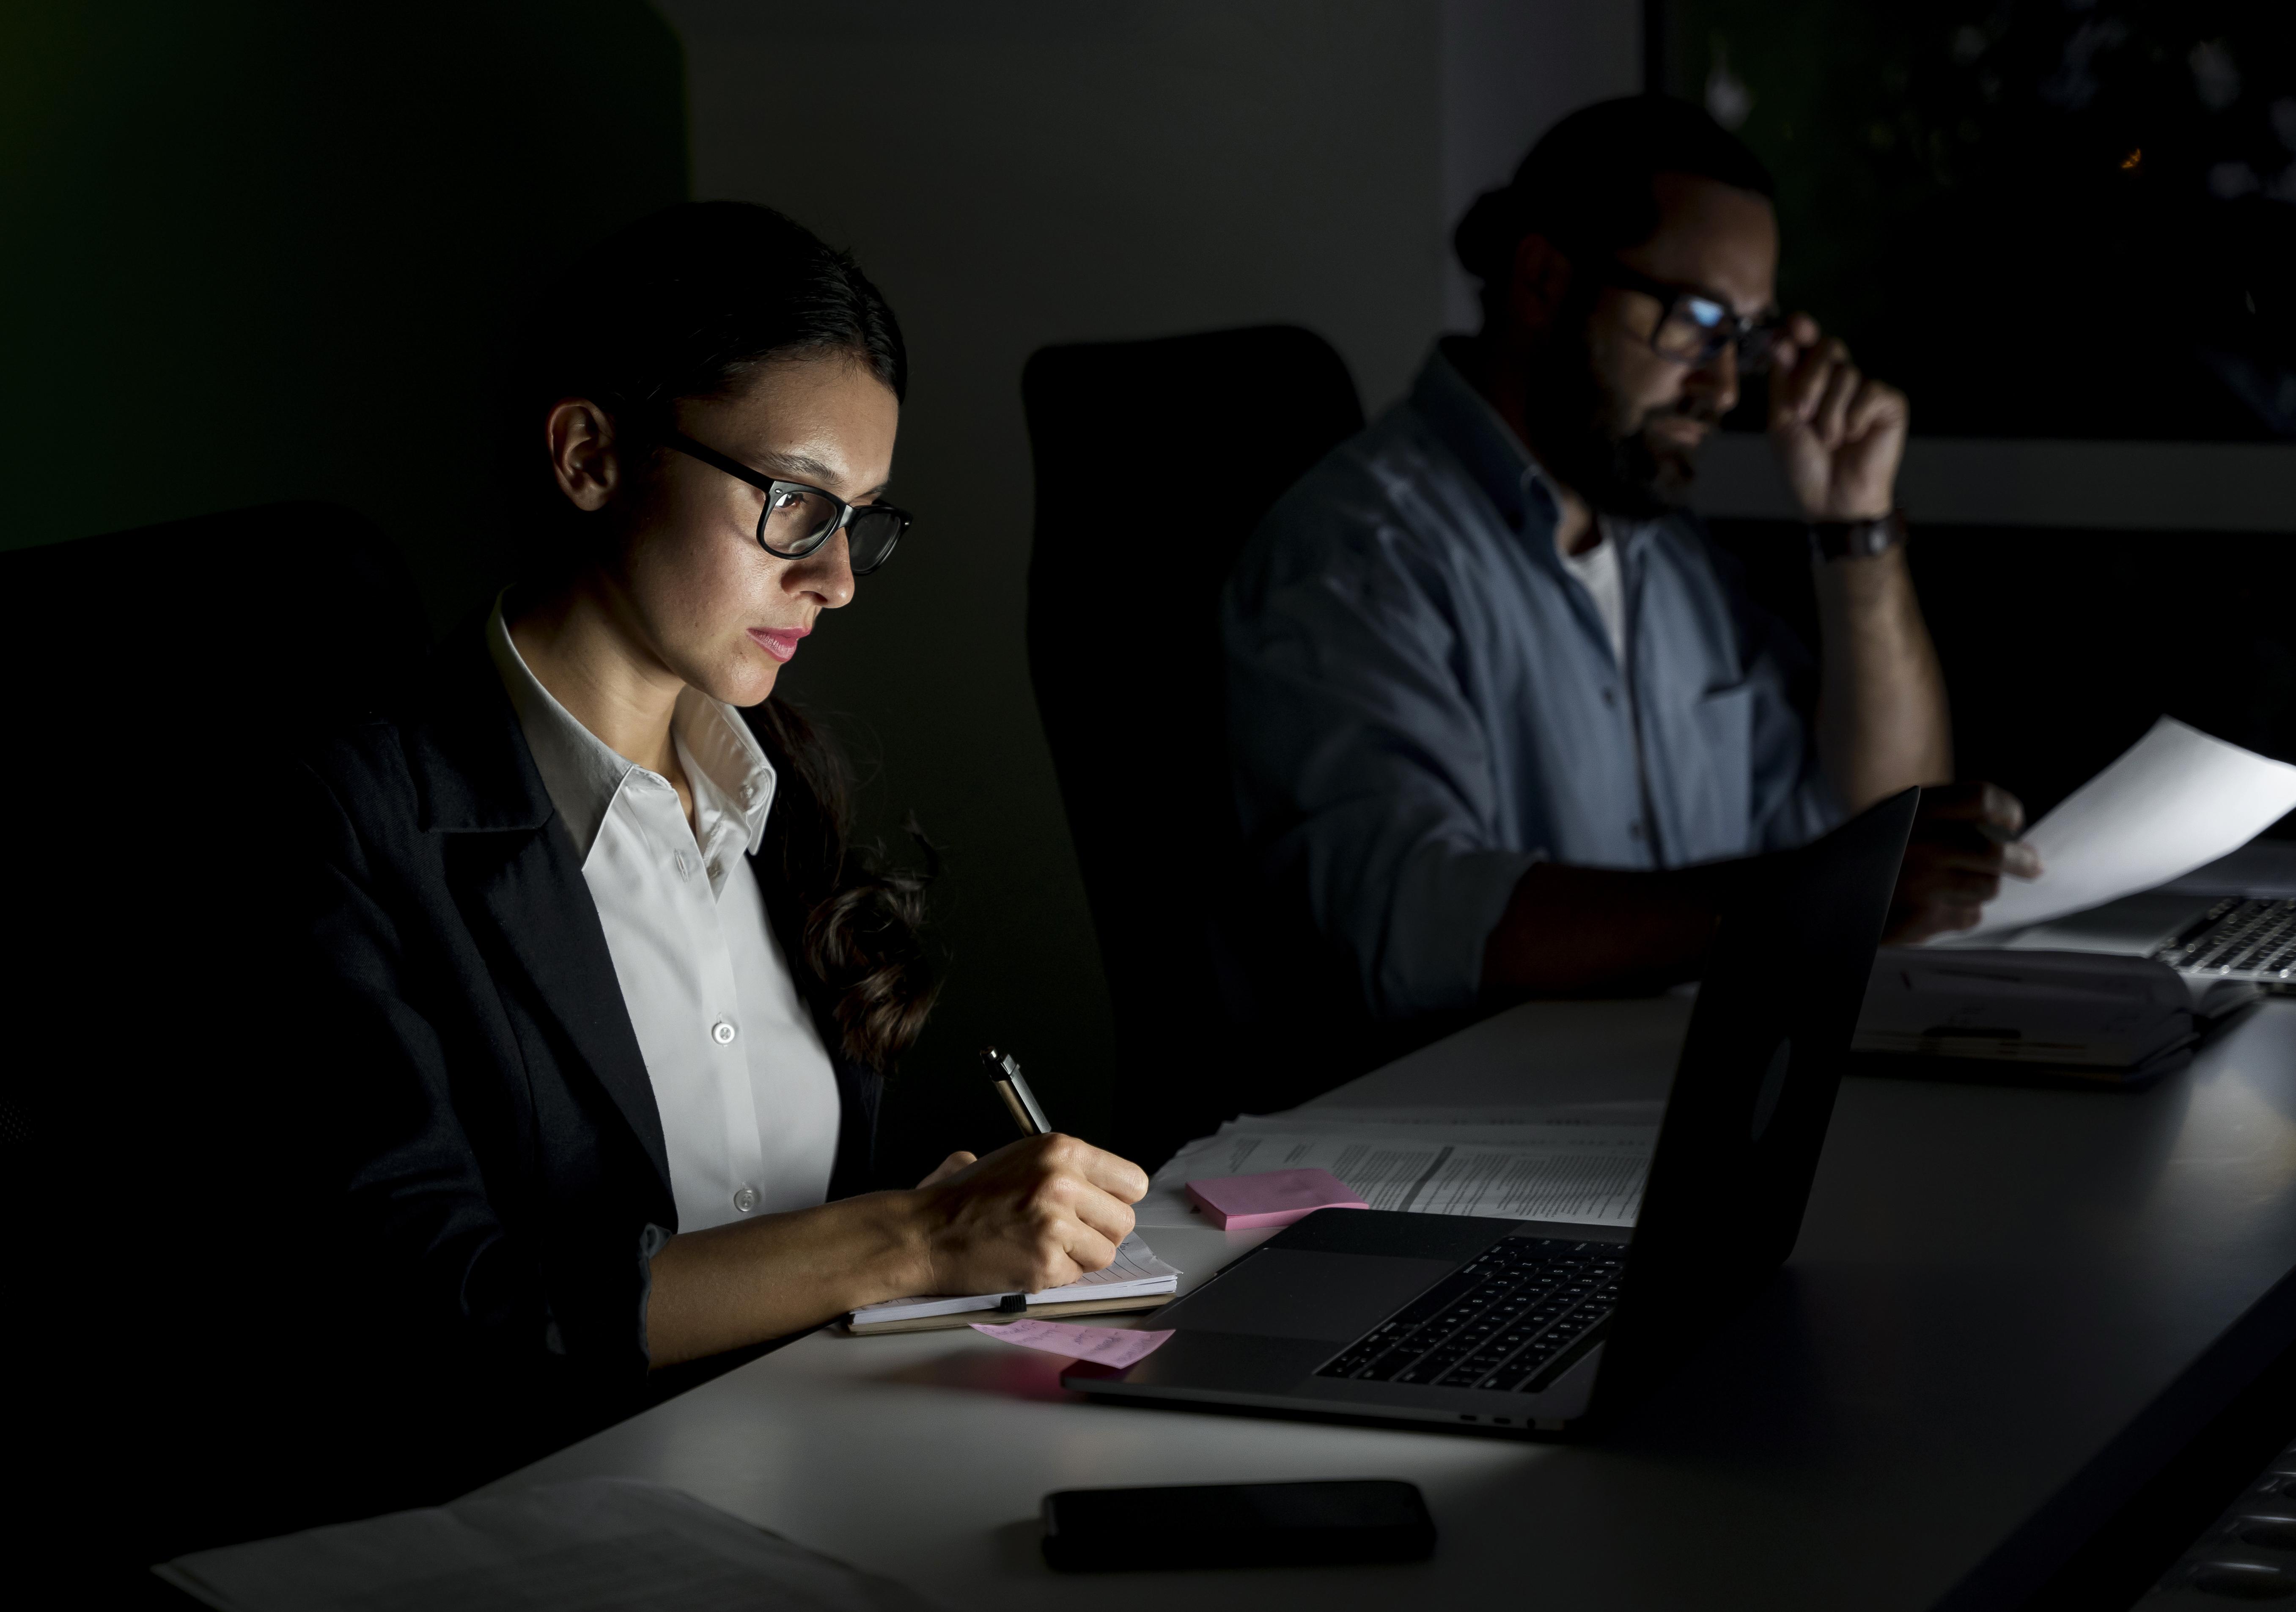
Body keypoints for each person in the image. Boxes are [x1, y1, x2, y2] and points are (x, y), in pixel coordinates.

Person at [295, 201, 1145, 1495]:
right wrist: (911, 1240)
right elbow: (442, 1310)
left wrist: (944, 1246)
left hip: (823, 1479)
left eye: (860, 519)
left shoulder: (774, 789)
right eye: (797, 504)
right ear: (591, 455)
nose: (839, 578)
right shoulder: (351, 819)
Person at [1221, 96, 2040, 1045]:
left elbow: (1871, 825)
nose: (1726, 387)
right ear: (1541, 279)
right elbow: (1410, 918)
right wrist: (1798, 899)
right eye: (1694, 322)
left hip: (1673, 1085)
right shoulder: (1361, 548)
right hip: (1478, 1132)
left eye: (1744, 338)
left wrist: (1854, 524)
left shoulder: (1666, 558)